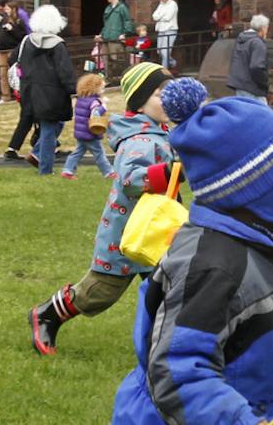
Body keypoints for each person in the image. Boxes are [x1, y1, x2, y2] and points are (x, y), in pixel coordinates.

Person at [109, 96, 273, 424]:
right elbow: (179, 373)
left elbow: (248, 327)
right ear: (252, 193)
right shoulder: (214, 267)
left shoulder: (251, 248)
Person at [28, 68, 206, 355]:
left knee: (170, 288)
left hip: (158, 232)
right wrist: (170, 171)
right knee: (100, 292)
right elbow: (130, 179)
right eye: (161, 95)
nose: (168, 101)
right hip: (127, 233)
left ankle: (168, 345)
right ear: (139, 101)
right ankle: (47, 314)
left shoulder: (161, 133)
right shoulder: (139, 140)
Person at [19, 5, 77, 177]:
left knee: (50, 126)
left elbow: (15, 59)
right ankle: (45, 169)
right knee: (50, 129)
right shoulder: (57, 45)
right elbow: (64, 71)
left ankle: (37, 154)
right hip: (52, 93)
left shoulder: (28, 41)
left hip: (30, 90)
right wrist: (74, 88)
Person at [62, 73, 112, 179]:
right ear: (94, 88)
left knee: (78, 152)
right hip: (90, 133)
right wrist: (104, 106)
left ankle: (68, 170)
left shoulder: (81, 99)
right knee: (99, 153)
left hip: (81, 132)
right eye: (102, 88)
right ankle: (108, 172)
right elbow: (96, 114)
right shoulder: (94, 102)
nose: (103, 91)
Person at [229, 14, 271, 101]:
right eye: (267, 28)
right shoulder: (258, 43)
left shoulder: (241, 40)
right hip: (253, 88)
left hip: (240, 85)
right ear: (263, 28)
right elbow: (256, 67)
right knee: (260, 114)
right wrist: (265, 83)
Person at [0, 0, 23, 104]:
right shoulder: (3, 19)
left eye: (8, 8)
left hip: (12, 49)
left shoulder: (19, 20)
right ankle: (5, 96)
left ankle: (19, 93)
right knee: (3, 74)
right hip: (2, 50)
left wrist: (12, 29)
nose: (6, 10)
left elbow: (21, 36)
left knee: (16, 73)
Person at [99, 0, 134, 68]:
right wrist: (101, 34)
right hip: (106, 38)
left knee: (116, 60)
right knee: (106, 60)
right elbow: (106, 23)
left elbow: (127, 21)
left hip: (116, 38)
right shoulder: (108, 8)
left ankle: (117, 78)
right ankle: (108, 77)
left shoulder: (122, 7)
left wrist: (125, 34)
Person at [152, 0, 179, 68]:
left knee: (165, 51)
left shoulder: (173, 4)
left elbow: (168, 17)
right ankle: (172, 62)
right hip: (161, 29)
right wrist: (160, 16)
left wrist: (159, 16)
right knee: (160, 50)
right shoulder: (161, 4)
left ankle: (164, 69)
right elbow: (154, 16)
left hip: (170, 30)